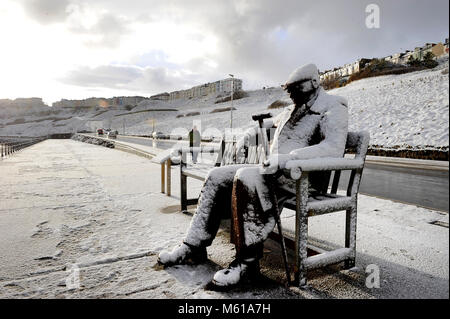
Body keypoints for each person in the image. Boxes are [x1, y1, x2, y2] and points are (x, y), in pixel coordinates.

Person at [158, 63, 348, 288]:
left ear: (314, 82)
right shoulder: (291, 109)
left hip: (302, 177)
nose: (291, 93)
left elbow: (333, 148)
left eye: (295, 87)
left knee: (247, 177)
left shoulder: (334, 105)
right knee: (217, 175)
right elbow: (268, 124)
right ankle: (193, 245)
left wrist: (290, 158)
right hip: (274, 172)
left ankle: (247, 262)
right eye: (288, 89)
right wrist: (249, 135)